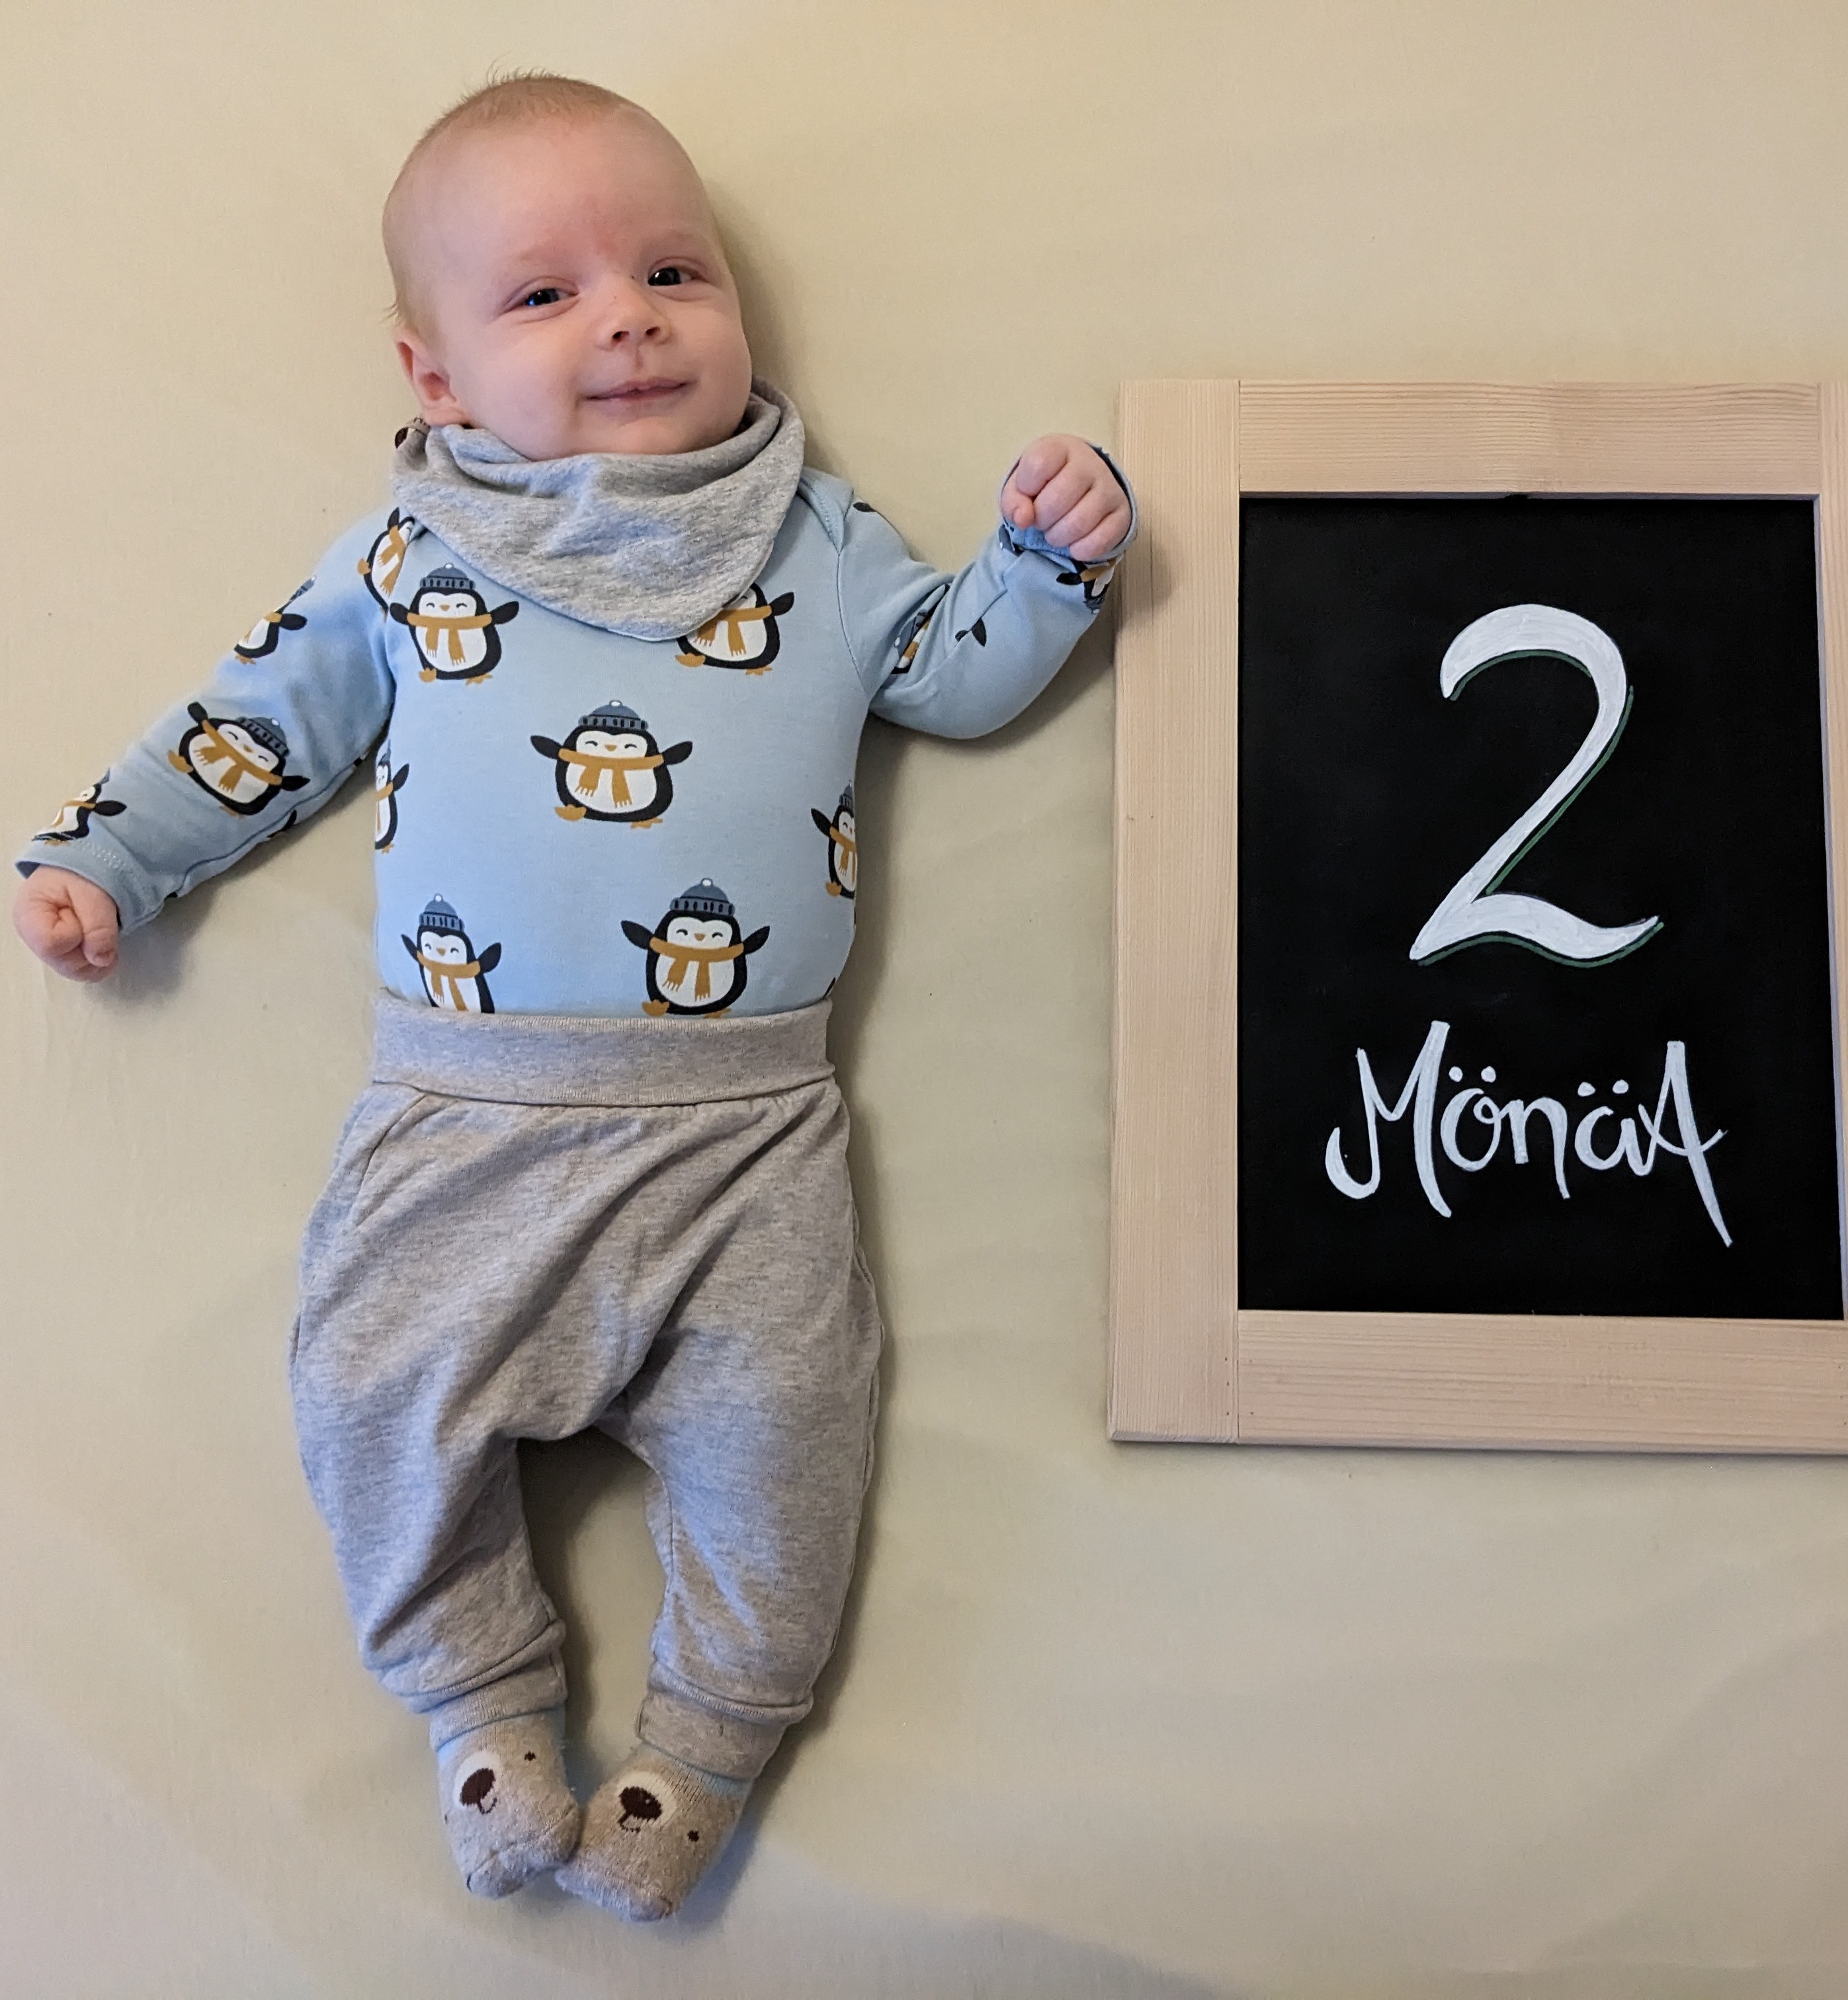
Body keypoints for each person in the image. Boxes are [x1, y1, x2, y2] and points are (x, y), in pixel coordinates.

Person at [11, 73, 1132, 1921]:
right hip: (463, 1116)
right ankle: (478, 1707)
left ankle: (704, 1749)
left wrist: (1049, 562)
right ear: (436, 376)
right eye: (545, 294)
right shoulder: (411, 555)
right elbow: (259, 725)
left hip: (743, 1138)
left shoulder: (817, 537)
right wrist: (110, 861)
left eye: (674, 271)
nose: (629, 317)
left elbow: (954, 675)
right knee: (368, 1391)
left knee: (794, 1430)